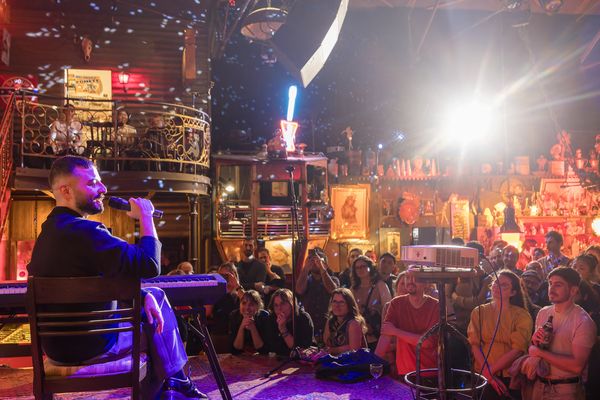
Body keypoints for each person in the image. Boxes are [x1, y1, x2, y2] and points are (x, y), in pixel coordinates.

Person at [26, 156, 206, 399]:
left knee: (152, 297)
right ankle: (177, 384)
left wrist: (141, 295)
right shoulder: (88, 232)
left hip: (56, 349)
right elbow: (150, 264)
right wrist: (146, 217)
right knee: (155, 323)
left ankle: (176, 384)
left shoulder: (47, 235)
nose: (103, 188)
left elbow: (94, 285)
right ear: (65, 190)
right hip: (94, 346)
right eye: (92, 183)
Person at [527, 267, 597, 400]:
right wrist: (535, 342)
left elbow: (577, 366)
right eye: (550, 284)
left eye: (558, 285)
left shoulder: (583, 321)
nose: (551, 289)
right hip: (539, 385)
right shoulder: (543, 312)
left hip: (565, 389)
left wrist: (540, 353)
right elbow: (535, 349)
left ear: (573, 290)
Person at [468, 270, 533, 400]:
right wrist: (488, 374)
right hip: (481, 373)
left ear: (513, 292)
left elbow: (518, 349)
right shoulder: (479, 311)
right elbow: (474, 344)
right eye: (496, 283)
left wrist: (490, 372)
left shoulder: (521, 315)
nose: (497, 287)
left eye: (504, 285)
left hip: (509, 375)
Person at [380, 267, 439, 376]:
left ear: (426, 283)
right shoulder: (396, 303)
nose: (410, 281)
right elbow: (385, 336)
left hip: (428, 372)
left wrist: (396, 332)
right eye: (407, 277)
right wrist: (373, 363)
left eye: (415, 278)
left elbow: (427, 342)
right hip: (404, 372)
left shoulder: (436, 305)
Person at [296, 247, 339, 342]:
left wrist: (322, 268)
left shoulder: (333, 279)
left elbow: (333, 290)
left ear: (325, 264)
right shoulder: (306, 280)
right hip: (309, 324)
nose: (315, 263)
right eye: (313, 261)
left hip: (328, 324)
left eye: (319, 260)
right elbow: (299, 290)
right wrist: (306, 268)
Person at [350, 255, 391, 350]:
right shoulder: (353, 289)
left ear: (370, 267)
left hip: (376, 334)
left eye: (363, 266)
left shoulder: (380, 285)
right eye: (357, 268)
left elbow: (388, 309)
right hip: (358, 334)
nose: (360, 269)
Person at [264, 288, 314, 356]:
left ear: (292, 304)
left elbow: (299, 350)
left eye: (283, 304)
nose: (279, 308)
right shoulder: (272, 318)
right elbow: (271, 348)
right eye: (276, 305)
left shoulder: (303, 318)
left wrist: (283, 329)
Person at [322, 288, 367, 356]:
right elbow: (327, 344)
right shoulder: (330, 321)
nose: (337, 305)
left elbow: (354, 350)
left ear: (349, 305)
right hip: (335, 360)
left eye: (341, 302)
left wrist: (333, 350)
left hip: (353, 361)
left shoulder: (353, 323)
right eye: (334, 301)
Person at [229, 290, 269, 355]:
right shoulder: (234, 316)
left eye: (251, 304)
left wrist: (253, 327)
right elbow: (235, 350)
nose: (247, 308)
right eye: (244, 303)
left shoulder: (264, 316)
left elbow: (263, 350)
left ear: (258, 306)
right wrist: (242, 326)